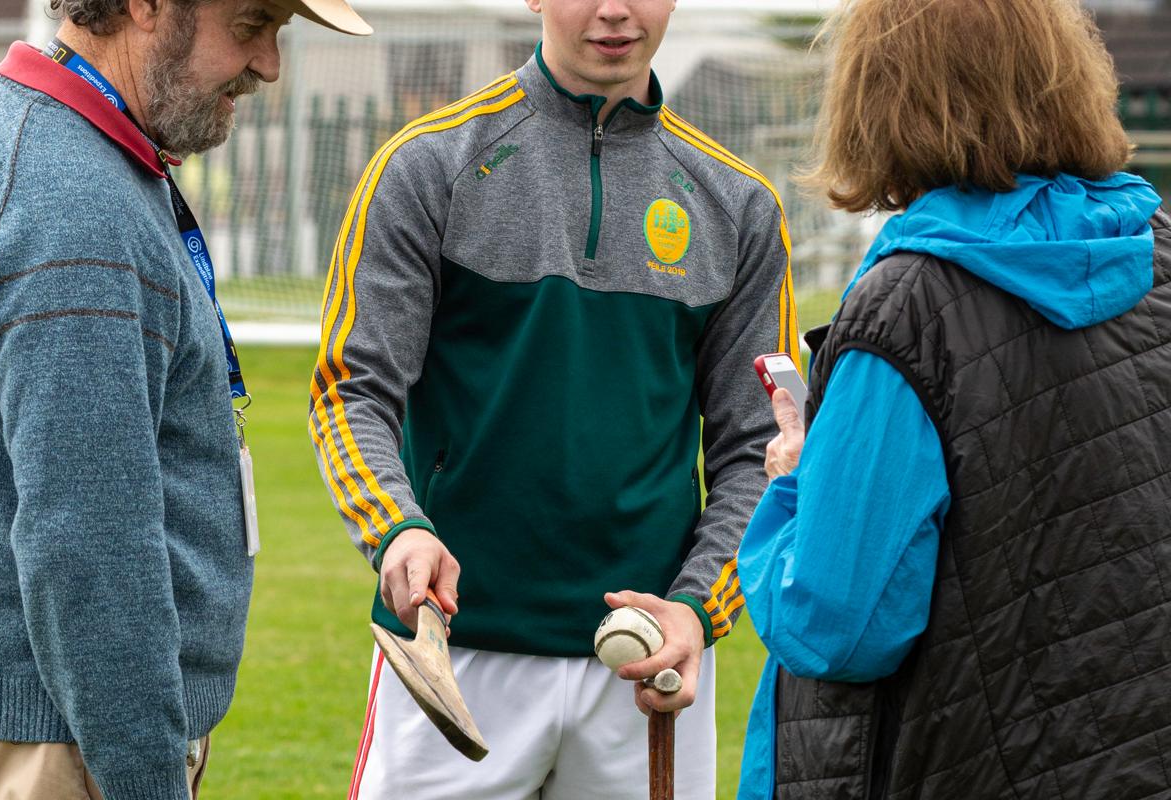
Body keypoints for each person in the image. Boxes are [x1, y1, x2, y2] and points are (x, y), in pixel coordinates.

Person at [308, 0, 800, 796]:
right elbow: (351, 390)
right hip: (454, 649)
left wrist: (695, 611)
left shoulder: (738, 203)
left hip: (646, 657)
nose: (615, 9)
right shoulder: (429, 164)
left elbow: (764, 450)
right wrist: (395, 528)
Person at [735, 0, 1171, 798]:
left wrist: (798, 482)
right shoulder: (1154, 253)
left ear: (880, 95)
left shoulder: (907, 308)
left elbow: (836, 624)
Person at [0, 0, 370, 797]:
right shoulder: (70, 199)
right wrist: (147, 775)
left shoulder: (54, 145)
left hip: (65, 730)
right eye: (253, 24)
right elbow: (85, 540)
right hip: (63, 743)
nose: (269, 65)